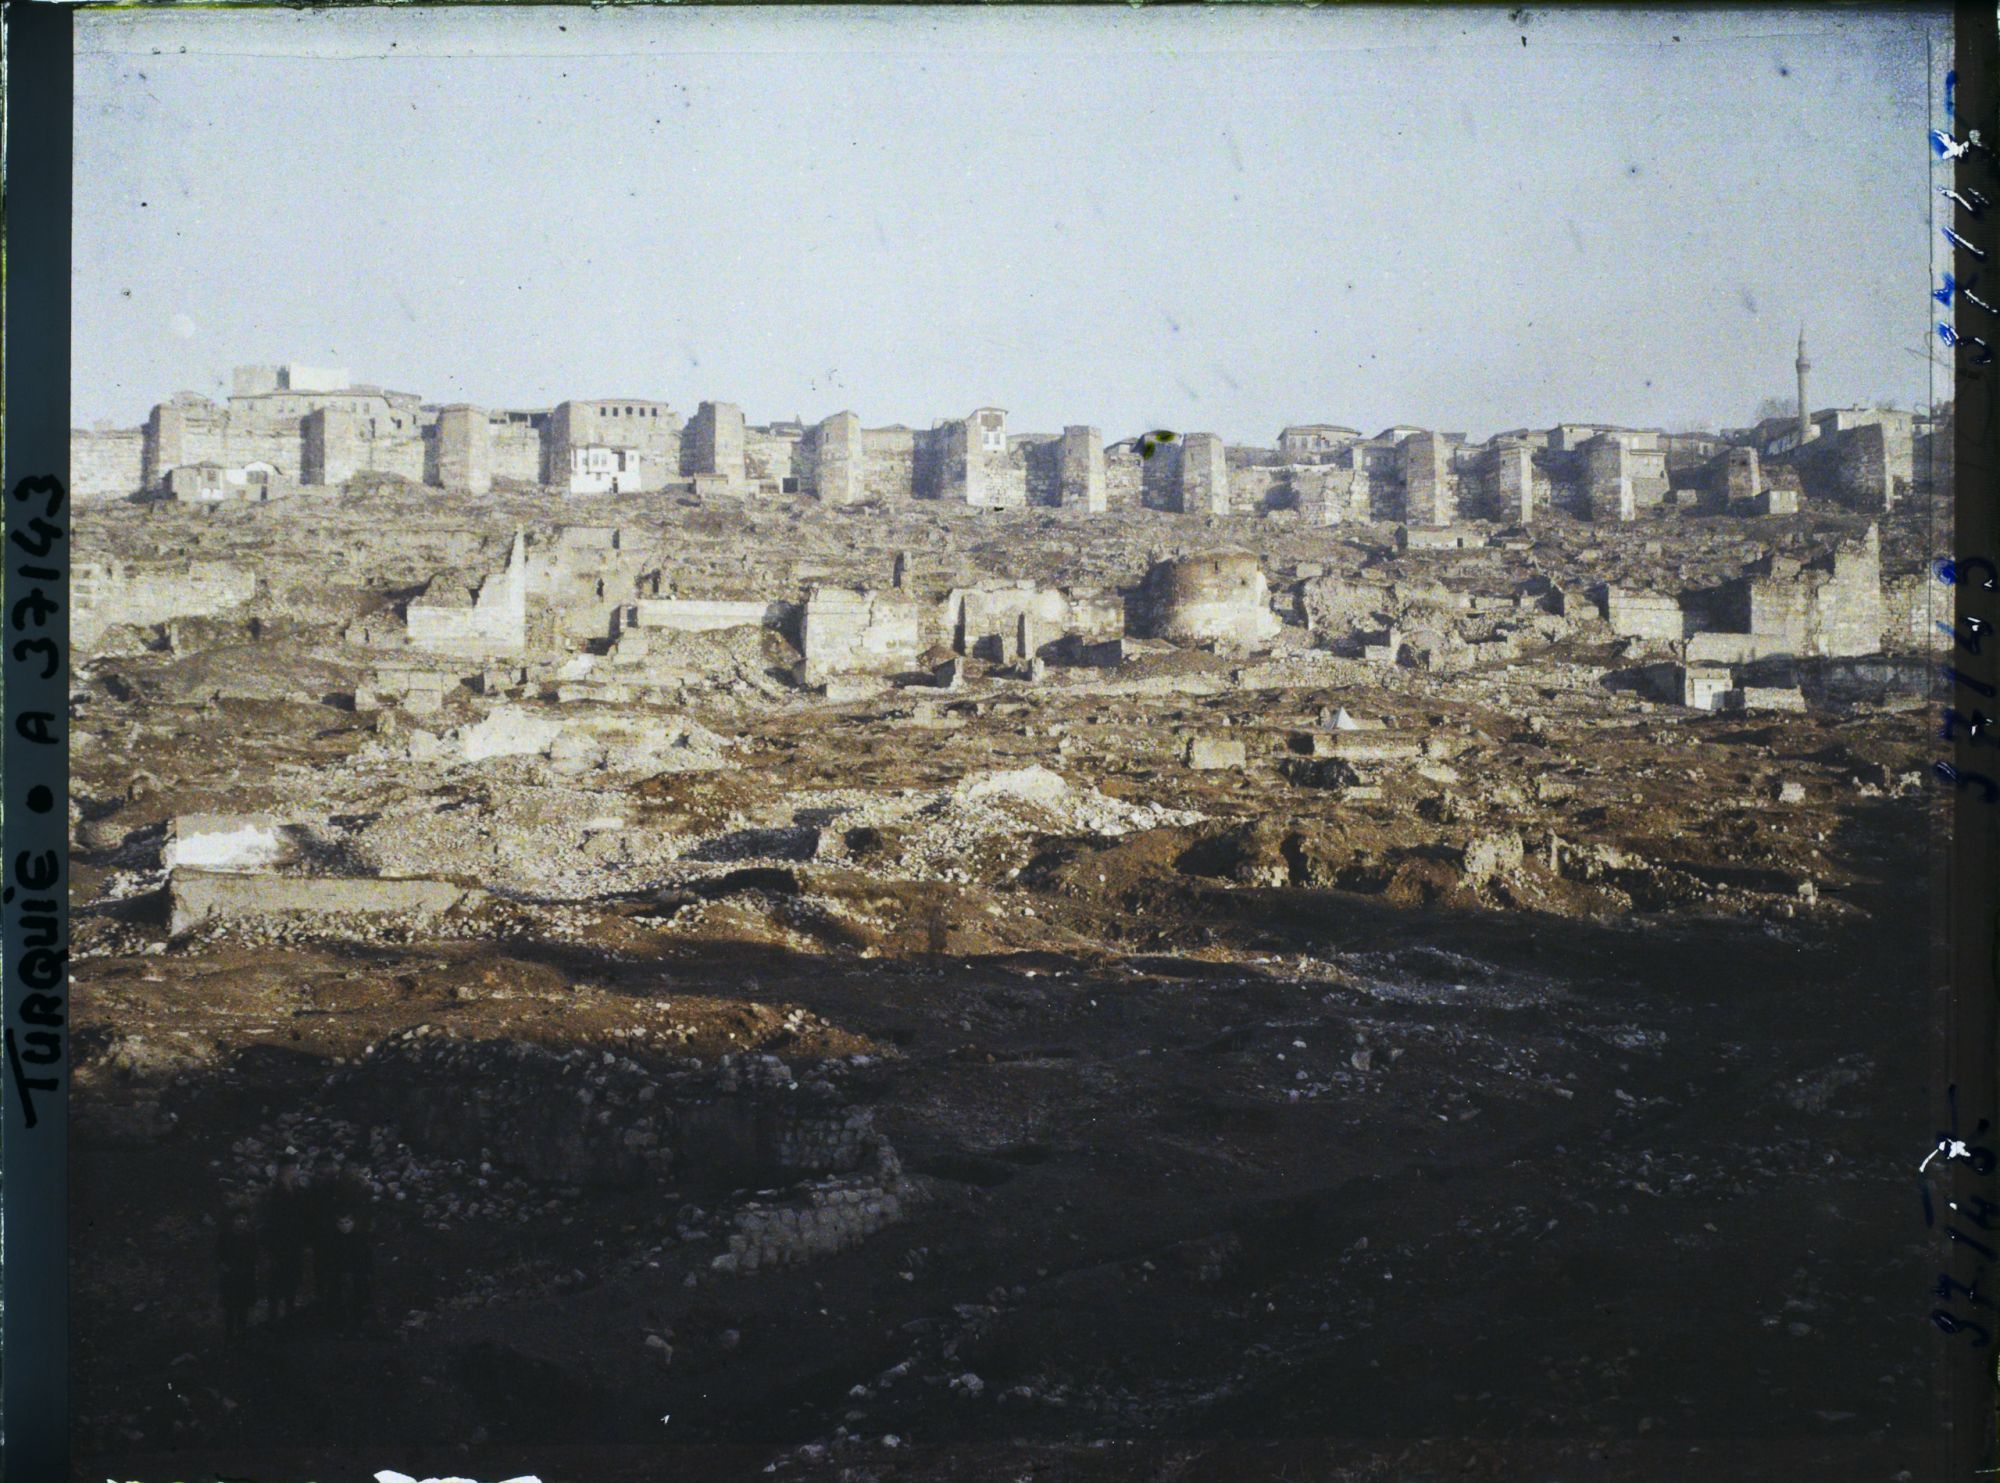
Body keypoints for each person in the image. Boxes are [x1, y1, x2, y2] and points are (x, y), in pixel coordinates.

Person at [260, 1153, 308, 1323]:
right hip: (279, 1245)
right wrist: (271, 1247)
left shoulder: (297, 1191)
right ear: (281, 1170)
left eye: (294, 1168)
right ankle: (273, 1318)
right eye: (289, 1168)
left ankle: (289, 1315)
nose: (292, 1172)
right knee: (276, 1282)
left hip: (294, 1244)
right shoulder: (274, 1193)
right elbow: (269, 1221)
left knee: (291, 1281)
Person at [319, 1212, 372, 1334]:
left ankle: (355, 1325)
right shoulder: (333, 1239)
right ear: (337, 1225)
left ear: (353, 1223)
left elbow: (366, 1258)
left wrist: (365, 1273)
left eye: (347, 1222)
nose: (344, 1226)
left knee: (355, 1300)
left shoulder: (359, 1238)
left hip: (356, 1274)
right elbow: (328, 1259)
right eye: (341, 1223)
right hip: (338, 1274)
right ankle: (341, 1325)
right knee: (339, 1300)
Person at [215, 1207, 259, 1342]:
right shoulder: (225, 1236)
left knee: (243, 1306)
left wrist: (252, 1268)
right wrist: (223, 1266)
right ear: (233, 1221)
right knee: (230, 1307)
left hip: (245, 1276)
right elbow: (218, 1255)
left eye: (243, 1219)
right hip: (230, 1277)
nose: (241, 1222)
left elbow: (255, 1255)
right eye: (238, 1219)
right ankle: (229, 1336)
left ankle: (242, 1334)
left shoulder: (250, 1236)